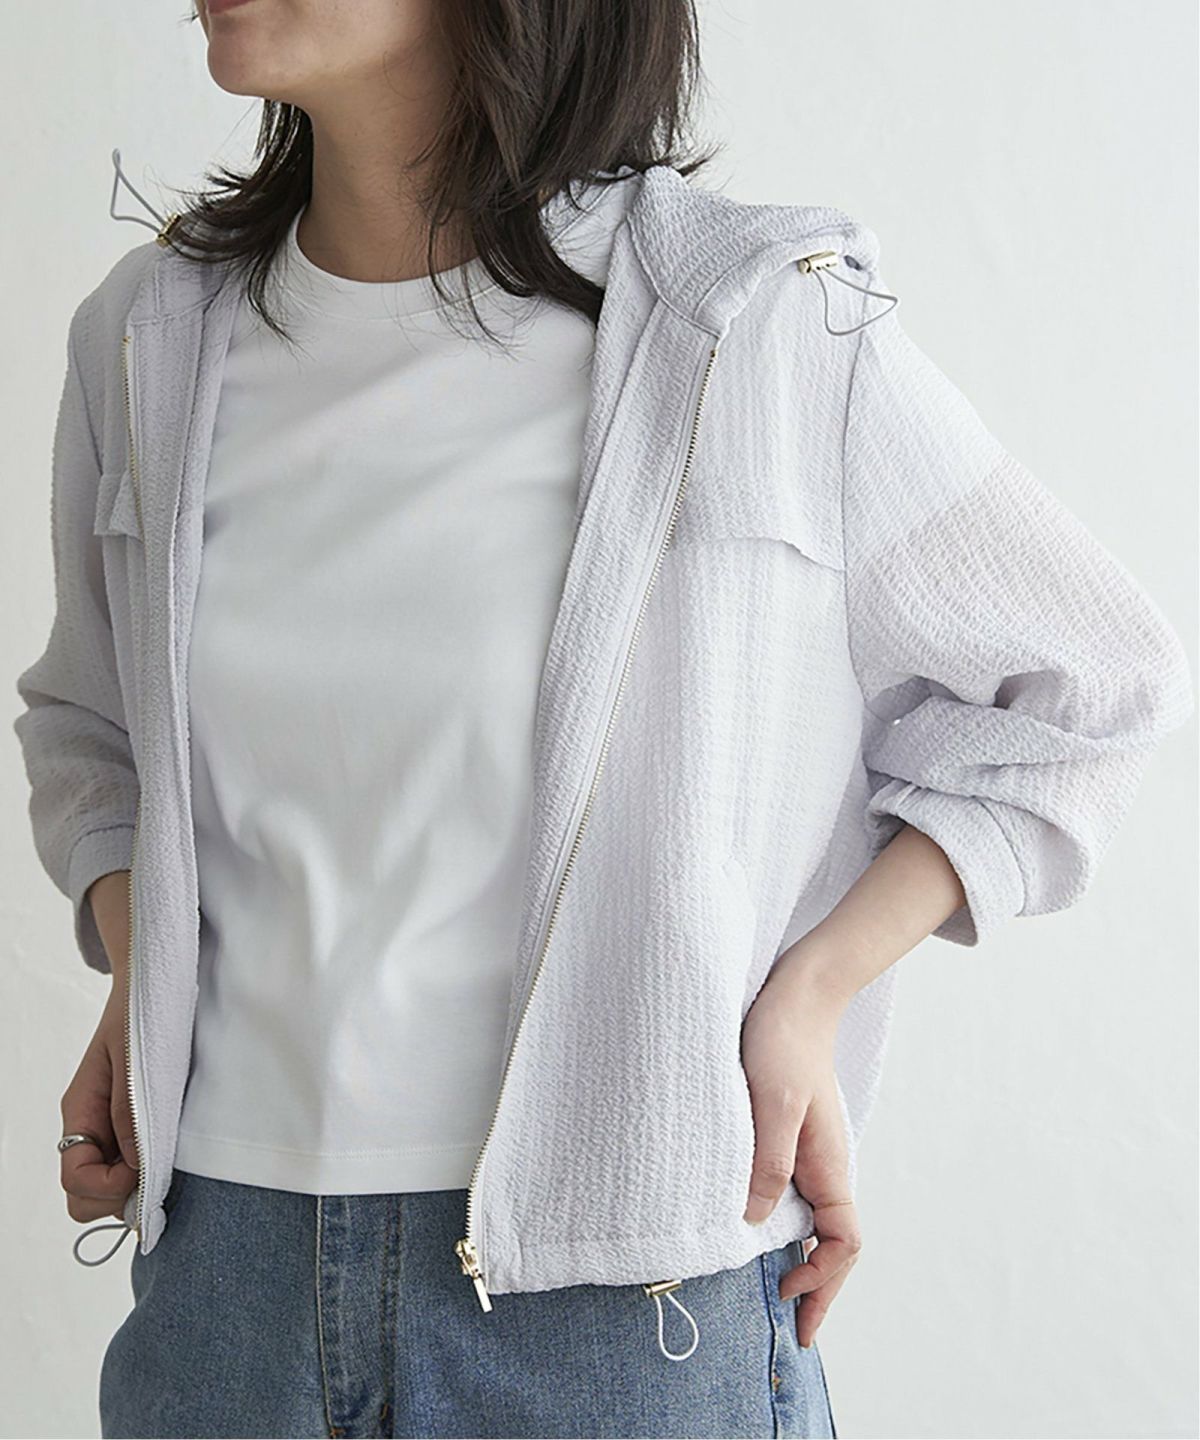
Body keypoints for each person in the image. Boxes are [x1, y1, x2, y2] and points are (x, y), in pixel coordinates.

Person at [13, 1, 1192, 1437]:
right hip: (222, 1284)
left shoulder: (750, 315)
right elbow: (94, 727)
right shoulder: (150, 336)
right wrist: (143, 964)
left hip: (621, 1312)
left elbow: (1085, 683)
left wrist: (808, 995)